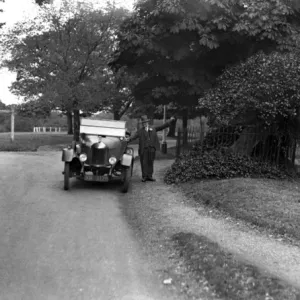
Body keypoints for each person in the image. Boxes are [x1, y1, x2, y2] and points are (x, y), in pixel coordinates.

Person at [128, 115, 176, 182]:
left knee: (150, 162)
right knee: (144, 163)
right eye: (143, 123)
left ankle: (150, 176)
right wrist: (128, 139)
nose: (145, 124)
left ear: (148, 123)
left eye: (146, 122)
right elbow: (133, 137)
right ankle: (144, 176)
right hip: (144, 149)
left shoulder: (153, 128)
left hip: (151, 149)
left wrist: (170, 120)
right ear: (142, 124)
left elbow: (162, 126)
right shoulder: (140, 131)